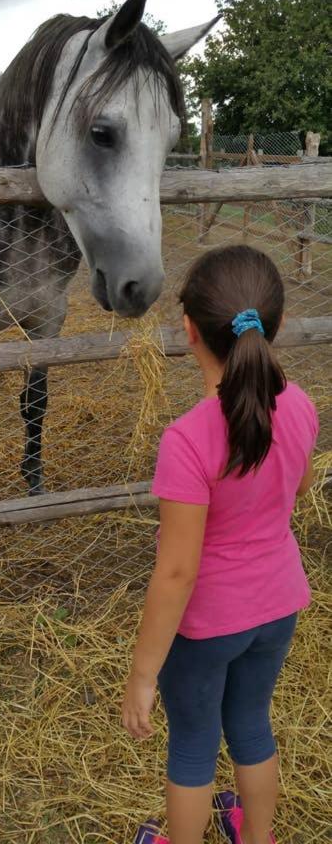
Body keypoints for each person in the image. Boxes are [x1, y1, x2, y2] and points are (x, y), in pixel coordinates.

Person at [122, 245, 318, 844]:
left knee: (192, 746)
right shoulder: (302, 404)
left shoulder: (187, 440)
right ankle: (255, 837)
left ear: (189, 332)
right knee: (252, 727)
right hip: (278, 607)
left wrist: (143, 672)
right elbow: (300, 482)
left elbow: (178, 572)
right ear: (276, 326)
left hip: (208, 625)